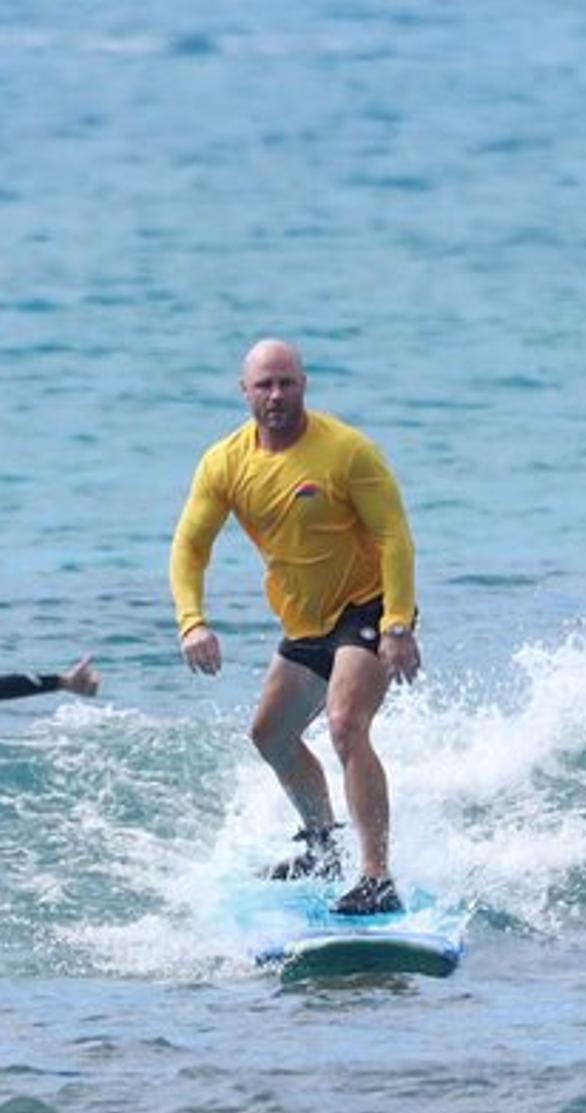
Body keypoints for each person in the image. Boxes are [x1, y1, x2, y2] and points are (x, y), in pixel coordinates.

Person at [168, 338, 421, 915]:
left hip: (369, 607)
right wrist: (192, 622)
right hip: (307, 620)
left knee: (345, 725)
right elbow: (189, 548)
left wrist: (397, 624)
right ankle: (322, 848)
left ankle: (377, 876)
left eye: (287, 383)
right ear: (245, 392)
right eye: (265, 385)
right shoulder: (225, 463)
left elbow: (395, 538)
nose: (276, 395)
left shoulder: (347, 451)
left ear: (304, 385)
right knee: (271, 736)